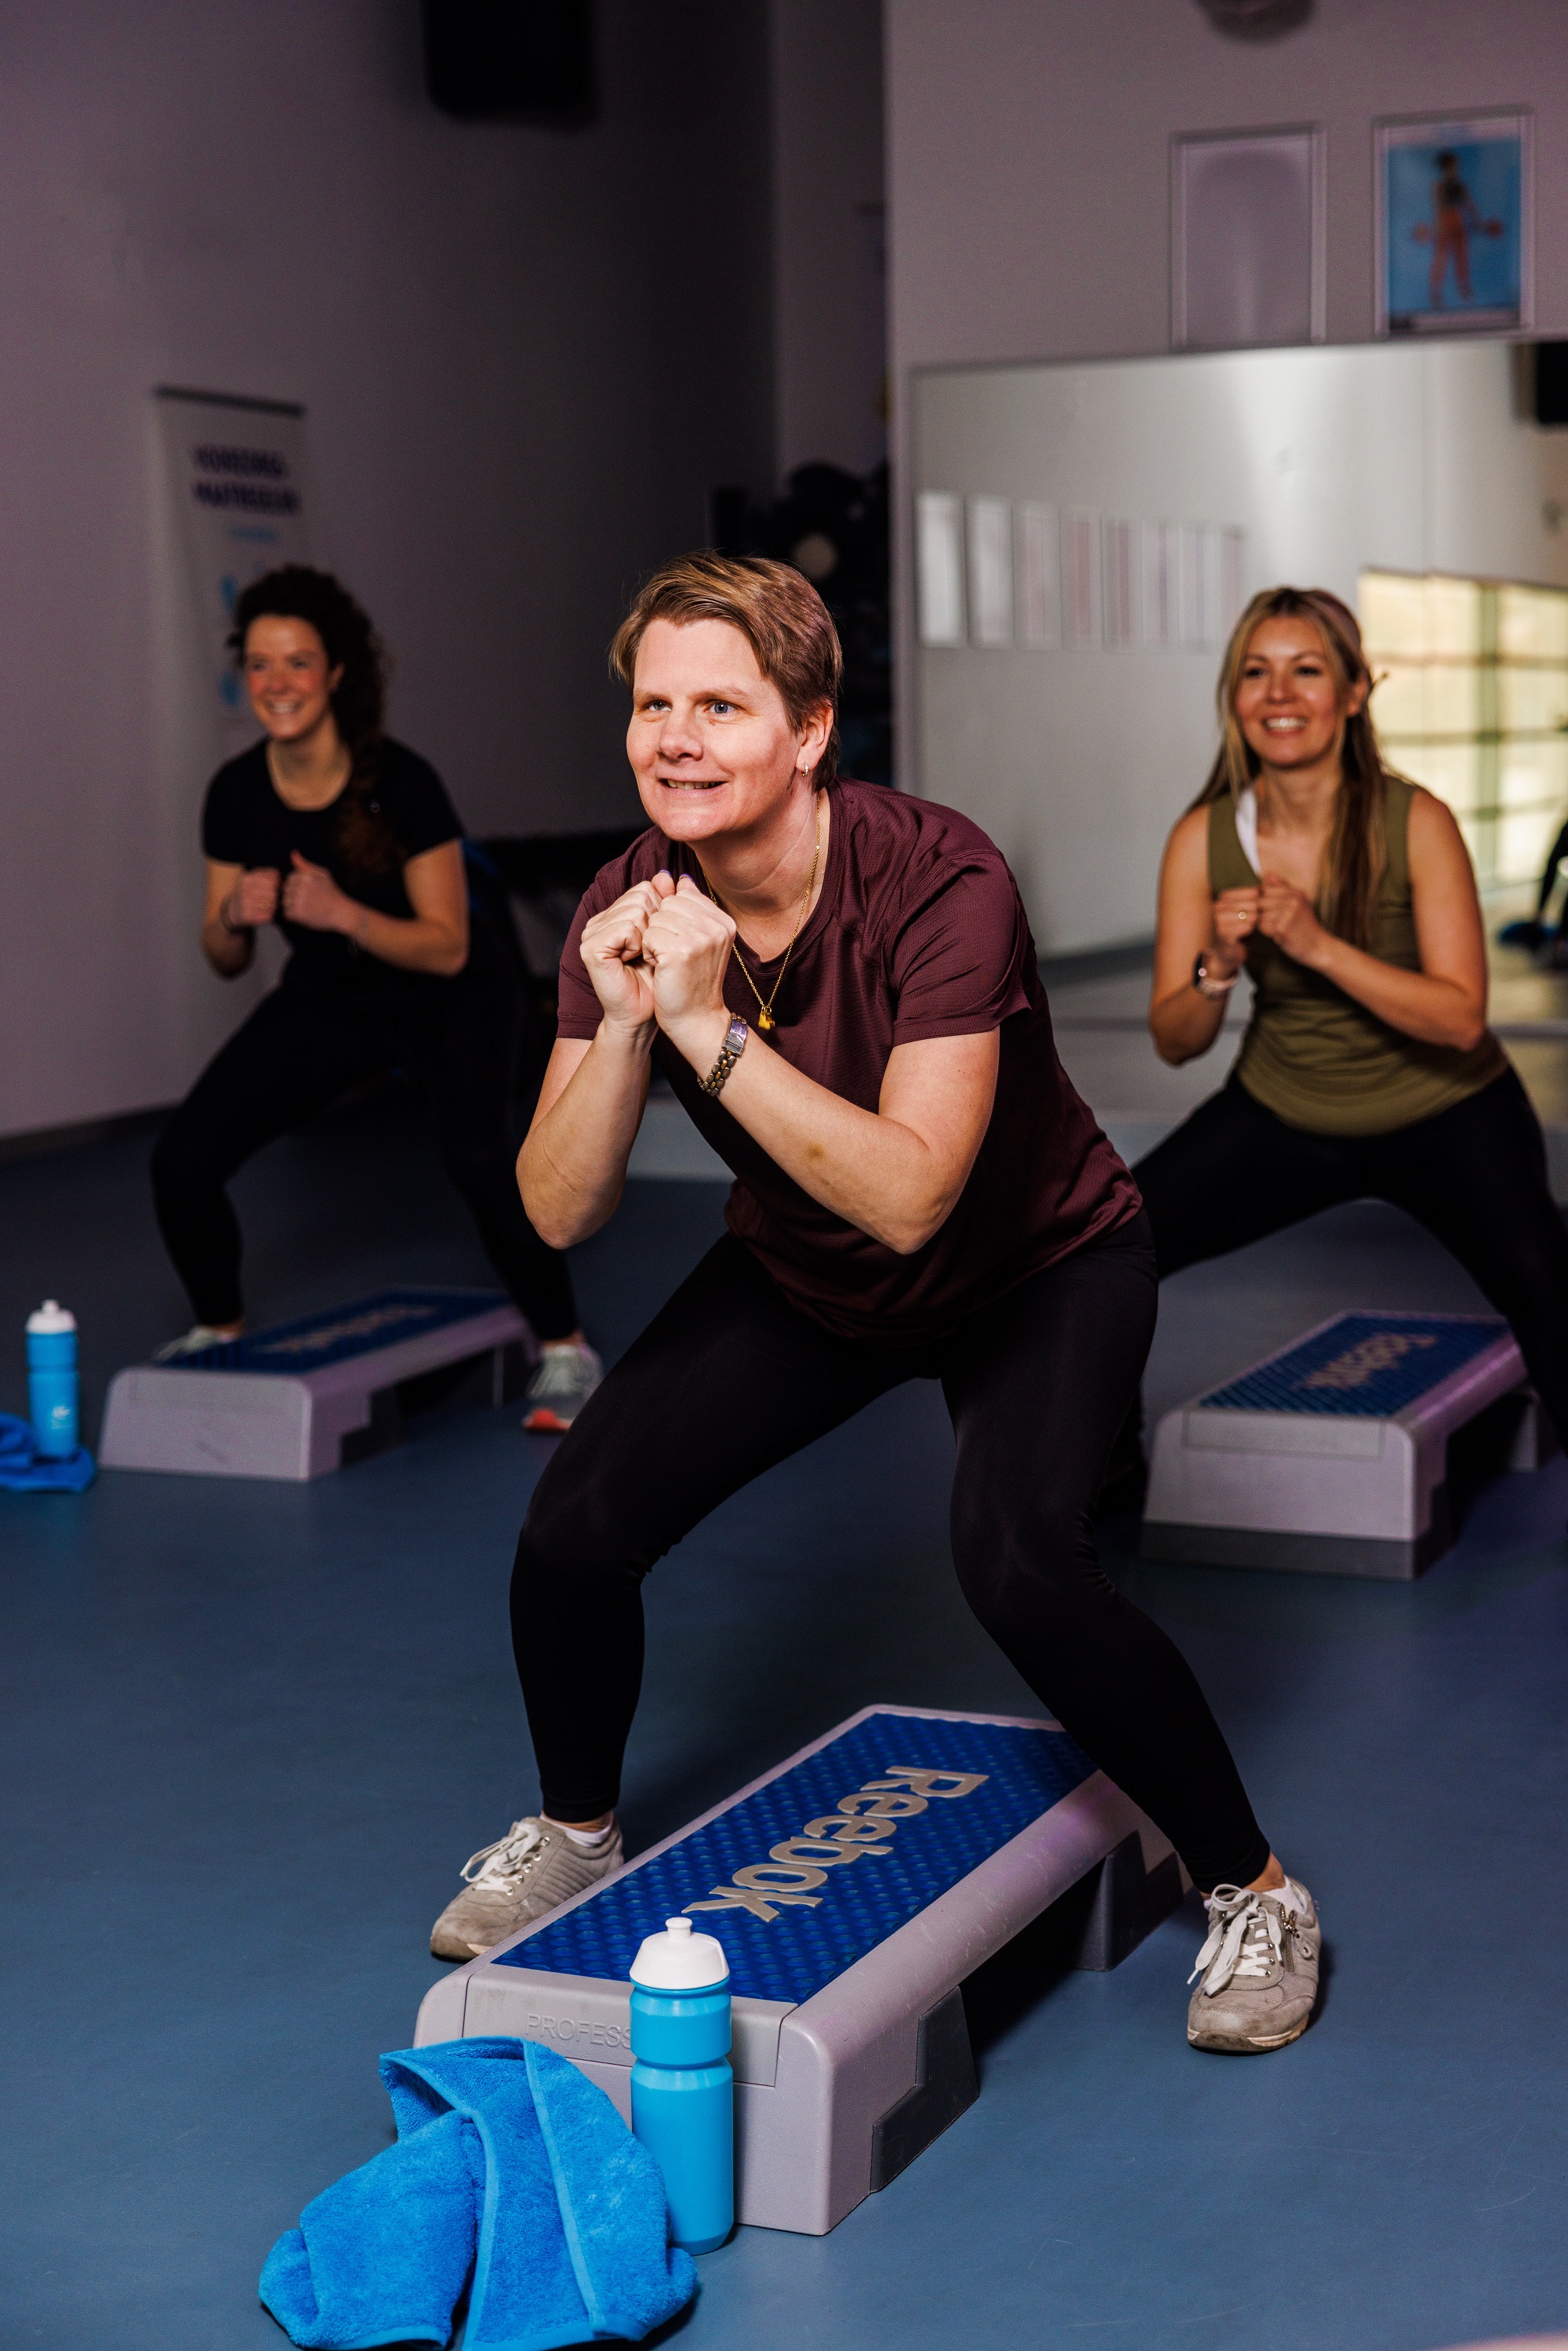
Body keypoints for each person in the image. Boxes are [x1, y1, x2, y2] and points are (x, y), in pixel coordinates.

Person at [427, 552, 1321, 2056]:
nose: (678, 738)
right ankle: (577, 1826)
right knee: (572, 1529)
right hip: (805, 1271)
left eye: (723, 703)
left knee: (1023, 1562)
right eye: (655, 705)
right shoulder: (623, 903)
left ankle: (1258, 1885)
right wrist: (629, 1024)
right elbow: (560, 1207)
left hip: (1036, 1265)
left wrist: (705, 1029)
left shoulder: (940, 873)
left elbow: (913, 1192)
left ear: (811, 728)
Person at [149, 565, 602, 1432]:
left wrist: (340, 910)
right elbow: (221, 955)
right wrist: (232, 920)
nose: (277, 683)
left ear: (336, 674)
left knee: (478, 1161)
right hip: (332, 996)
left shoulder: (400, 782)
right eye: (260, 664)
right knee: (180, 1161)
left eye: (298, 663)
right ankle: (218, 1327)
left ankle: (565, 1349)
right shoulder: (235, 794)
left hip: (452, 995)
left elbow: (448, 944)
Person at [1134, 585, 1568, 1467]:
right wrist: (1216, 966)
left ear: (1354, 692)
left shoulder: (1417, 822)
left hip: (1446, 1108)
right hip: (1283, 1110)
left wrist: (1315, 946)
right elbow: (1174, 1039)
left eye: (1306, 671)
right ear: (1233, 696)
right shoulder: (1201, 838)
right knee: (1107, 1255)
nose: (1278, 694)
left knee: (1546, 1289)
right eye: (1255, 673)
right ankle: (1098, 1476)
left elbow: (1456, 1019)